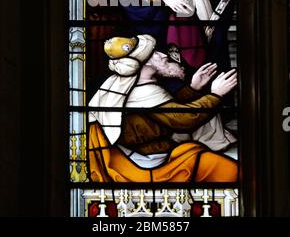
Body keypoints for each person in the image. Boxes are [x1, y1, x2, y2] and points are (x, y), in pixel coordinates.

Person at [88, 34, 238, 183]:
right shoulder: (143, 91)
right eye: (154, 53)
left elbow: (167, 110)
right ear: (145, 63)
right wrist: (216, 94)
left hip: (153, 156)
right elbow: (184, 119)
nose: (163, 55)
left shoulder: (125, 85)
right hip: (149, 166)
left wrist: (193, 88)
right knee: (229, 171)